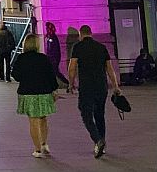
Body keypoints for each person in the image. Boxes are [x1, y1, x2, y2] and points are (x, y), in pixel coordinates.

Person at [68, 25, 121, 159]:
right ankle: (102, 143)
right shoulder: (101, 47)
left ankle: (98, 140)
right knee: (99, 114)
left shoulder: (77, 47)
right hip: (101, 86)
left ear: (81, 35)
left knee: (86, 114)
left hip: (86, 86)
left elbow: (72, 67)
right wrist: (115, 86)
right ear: (91, 33)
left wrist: (71, 83)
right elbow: (110, 68)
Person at [12, 34, 58, 158]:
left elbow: (15, 75)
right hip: (44, 92)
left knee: (33, 121)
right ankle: (44, 143)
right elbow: (51, 76)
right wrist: (54, 90)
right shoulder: (44, 58)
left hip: (28, 93)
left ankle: (37, 150)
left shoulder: (21, 58)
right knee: (43, 118)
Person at [44, 22, 68, 87]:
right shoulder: (50, 37)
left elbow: (53, 49)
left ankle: (67, 83)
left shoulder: (53, 37)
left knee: (55, 72)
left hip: (54, 58)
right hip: (51, 57)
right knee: (53, 72)